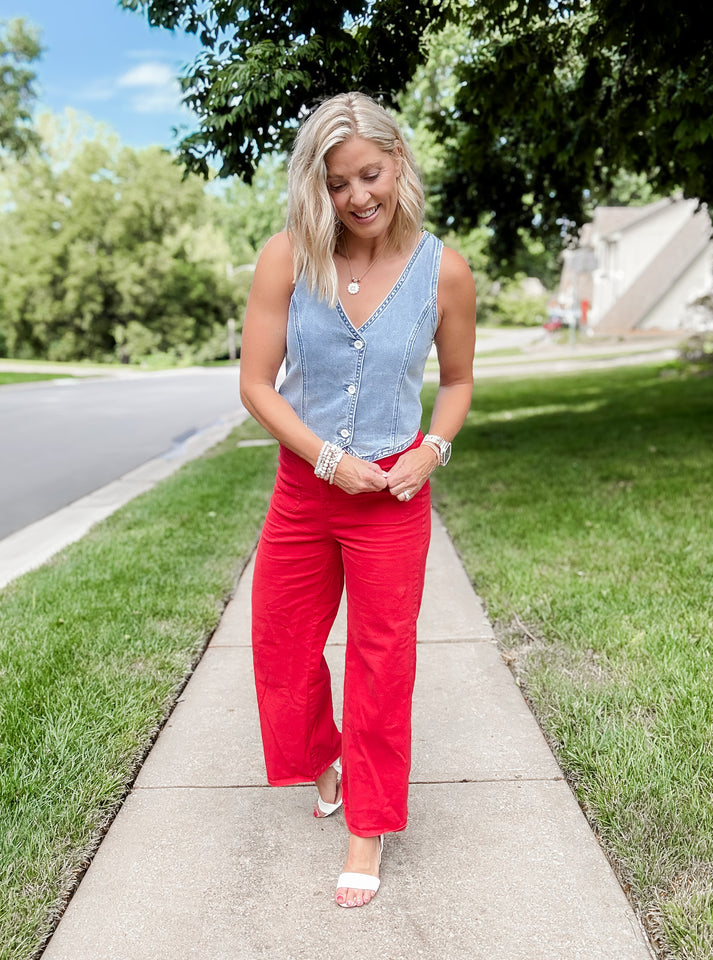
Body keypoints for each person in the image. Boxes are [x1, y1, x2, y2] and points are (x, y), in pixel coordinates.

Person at [239, 91, 476, 908]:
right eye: (338, 184)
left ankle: (367, 830)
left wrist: (433, 451)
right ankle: (327, 760)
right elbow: (256, 387)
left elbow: (458, 381)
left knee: (382, 664)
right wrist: (326, 458)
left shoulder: (444, 269)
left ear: (399, 163)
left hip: (393, 501)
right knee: (281, 649)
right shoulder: (287, 258)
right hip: (306, 491)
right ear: (319, 188)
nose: (357, 197)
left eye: (369, 175)